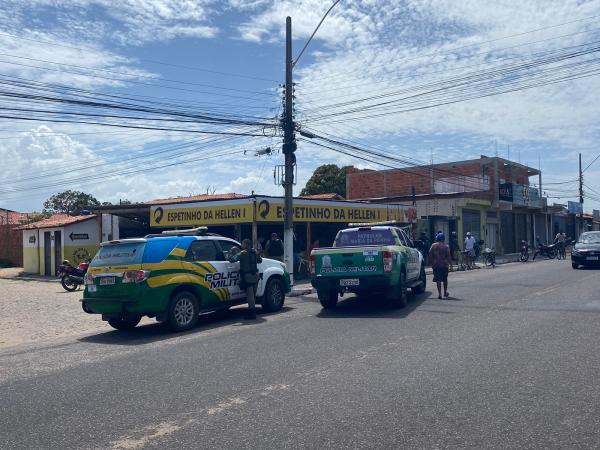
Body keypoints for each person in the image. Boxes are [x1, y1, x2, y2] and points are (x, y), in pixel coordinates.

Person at [229, 239, 262, 320]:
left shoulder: (243, 253)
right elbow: (260, 260)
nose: (242, 246)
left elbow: (232, 260)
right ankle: (251, 312)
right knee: (253, 295)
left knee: (250, 296)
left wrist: (231, 253)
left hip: (248, 277)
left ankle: (252, 314)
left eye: (243, 244)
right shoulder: (254, 252)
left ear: (246, 245)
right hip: (256, 276)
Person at [429, 232, 452, 299]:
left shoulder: (433, 245)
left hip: (436, 265)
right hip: (444, 265)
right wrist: (451, 265)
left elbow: (430, 253)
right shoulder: (446, 246)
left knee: (438, 279)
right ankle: (445, 292)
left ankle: (439, 294)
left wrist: (432, 262)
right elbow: (448, 256)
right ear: (443, 239)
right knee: (445, 279)